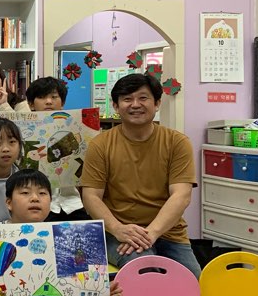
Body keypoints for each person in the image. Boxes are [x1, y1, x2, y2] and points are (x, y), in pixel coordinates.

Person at [79, 73, 200, 278]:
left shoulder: (177, 143)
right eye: (127, 99)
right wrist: (118, 229)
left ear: (157, 103)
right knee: (145, 271)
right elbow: (91, 196)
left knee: (192, 280)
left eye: (143, 98)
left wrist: (151, 233)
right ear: (116, 106)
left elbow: (181, 195)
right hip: (117, 233)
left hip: (168, 232)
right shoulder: (100, 145)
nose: (135, 104)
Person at [0, 169, 122, 296]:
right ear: (9, 203)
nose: (35, 198)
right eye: (25, 193)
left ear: (50, 202)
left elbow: (83, 287)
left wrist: (103, 294)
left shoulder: (68, 238)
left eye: (42, 193)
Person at [24, 76, 88, 221]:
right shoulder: (26, 133)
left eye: (54, 97)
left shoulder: (74, 127)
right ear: (31, 104)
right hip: (39, 204)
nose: (48, 101)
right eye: (42, 97)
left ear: (62, 102)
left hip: (72, 203)